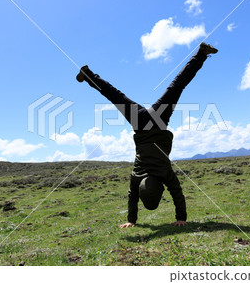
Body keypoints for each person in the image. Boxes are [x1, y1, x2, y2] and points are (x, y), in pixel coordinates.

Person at [76, 42, 218, 228]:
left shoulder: (165, 173)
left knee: (176, 87)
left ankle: (200, 54)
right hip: (141, 124)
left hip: (158, 121)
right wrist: (131, 220)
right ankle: (88, 74)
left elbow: (177, 193)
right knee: (115, 96)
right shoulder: (136, 176)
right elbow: (132, 197)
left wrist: (181, 218)